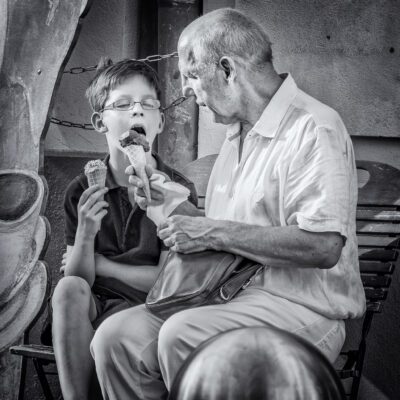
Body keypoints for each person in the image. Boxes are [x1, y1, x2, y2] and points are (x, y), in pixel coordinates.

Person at [90, 8, 366, 400]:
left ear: (227, 70)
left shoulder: (313, 127)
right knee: (115, 338)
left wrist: (210, 230)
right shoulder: (236, 136)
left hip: (304, 310)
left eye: (192, 74)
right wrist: (161, 199)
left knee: (181, 333)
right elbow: (224, 234)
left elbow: (323, 246)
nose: (186, 89)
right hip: (225, 297)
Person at [51, 58, 197, 400]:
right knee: (68, 289)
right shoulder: (81, 191)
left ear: (159, 121)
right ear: (100, 122)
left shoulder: (176, 190)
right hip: (96, 305)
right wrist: (86, 233)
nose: (137, 113)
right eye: (123, 104)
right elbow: (77, 280)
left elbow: (167, 283)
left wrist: (103, 265)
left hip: (153, 310)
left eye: (148, 104)